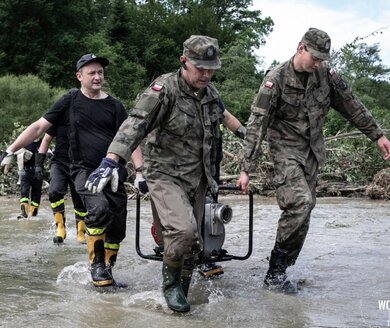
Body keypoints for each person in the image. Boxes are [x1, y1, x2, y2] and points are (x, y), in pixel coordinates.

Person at [237, 28, 390, 294]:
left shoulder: (326, 76)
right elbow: (256, 124)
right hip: (285, 151)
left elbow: (351, 104)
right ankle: (274, 273)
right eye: (315, 57)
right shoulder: (276, 80)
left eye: (322, 59)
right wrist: (245, 169)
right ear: (300, 48)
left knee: (304, 214)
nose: (318, 63)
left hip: (312, 153)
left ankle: (284, 268)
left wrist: (377, 135)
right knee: (300, 202)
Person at [85, 35, 226, 312]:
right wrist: (112, 159)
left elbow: (216, 135)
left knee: (195, 243)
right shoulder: (164, 90)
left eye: (211, 69)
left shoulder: (211, 96)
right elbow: (135, 123)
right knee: (183, 232)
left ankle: (181, 294)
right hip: (164, 175)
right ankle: (171, 287)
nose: (207, 74)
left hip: (196, 178)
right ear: (184, 62)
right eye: (201, 68)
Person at [0, 53, 143, 288]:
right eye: (92, 73)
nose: (97, 77)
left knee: (117, 226)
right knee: (99, 209)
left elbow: (131, 139)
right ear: (79, 76)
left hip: (114, 172)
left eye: (100, 73)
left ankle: (106, 272)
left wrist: (140, 173)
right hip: (83, 170)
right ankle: (96, 266)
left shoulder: (115, 106)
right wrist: (10, 150)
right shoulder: (70, 100)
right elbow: (38, 127)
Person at [150, 102, 246, 278]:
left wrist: (248, 137)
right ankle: (174, 255)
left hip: (209, 168)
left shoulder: (212, 102)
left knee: (208, 213)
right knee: (183, 219)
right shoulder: (172, 103)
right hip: (179, 171)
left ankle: (204, 256)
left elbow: (229, 118)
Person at [36, 126, 88, 244]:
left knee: (80, 198)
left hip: (80, 164)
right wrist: (39, 163)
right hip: (59, 162)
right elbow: (46, 139)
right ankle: (60, 227)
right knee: (54, 191)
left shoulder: (85, 113)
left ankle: (80, 232)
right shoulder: (59, 114)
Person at [14, 139, 44, 219]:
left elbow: (49, 153)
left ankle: (33, 214)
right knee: (24, 192)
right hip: (25, 171)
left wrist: (47, 155)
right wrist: (23, 154)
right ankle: (24, 213)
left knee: (36, 194)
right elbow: (15, 151)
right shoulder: (25, 141)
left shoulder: (43, 142)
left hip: (38, 173)